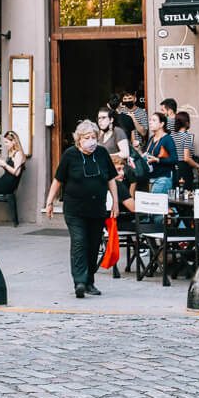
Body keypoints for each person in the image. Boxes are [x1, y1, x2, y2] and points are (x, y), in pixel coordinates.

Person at [45, 119, 118, 298]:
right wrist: (49, 202)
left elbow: (111, 179)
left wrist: (115, 202)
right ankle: (79, 281)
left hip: (97, 208)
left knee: (93, 245)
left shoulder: (101, 153)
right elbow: (58, 180)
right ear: (79, 139)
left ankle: (90, 281)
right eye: (87, 137)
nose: (91, 140)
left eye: (94, 137)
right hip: (75, 209)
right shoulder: (70, 155)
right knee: (79, 242)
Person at [145, 112, 178, 194]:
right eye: (150, 120)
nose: (150, 122)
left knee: (155, 203)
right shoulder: (151, 138)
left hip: (163, 177)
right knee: (157, 204)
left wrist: (157, 160)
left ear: (161, 124)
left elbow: (174, 159)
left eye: (154, 120)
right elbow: (148, 154)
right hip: (151, 176)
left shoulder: (167, 139)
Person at [173, 111, 199, 190]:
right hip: (184, 169)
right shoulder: (187, 137)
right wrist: (198, 166)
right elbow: (187, 158)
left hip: (173, 168)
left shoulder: (171, 136)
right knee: (186, 194)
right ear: (187, 123)